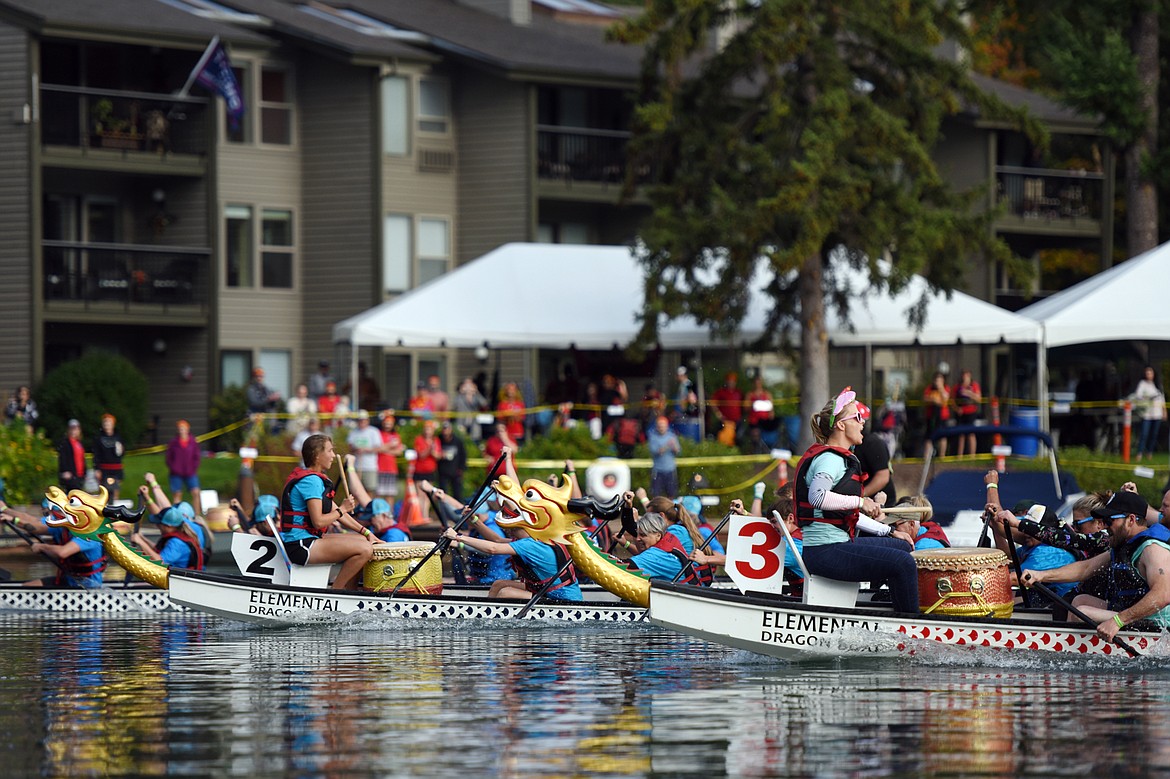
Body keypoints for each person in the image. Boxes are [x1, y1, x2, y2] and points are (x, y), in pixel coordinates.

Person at [796, 386, 918, 613]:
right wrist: (861, 502)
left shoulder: (839, 458)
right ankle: (910, 625)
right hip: (825, 552)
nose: (863, 423)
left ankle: (887, 606)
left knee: (902, 545)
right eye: (857, 417)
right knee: (903, 563)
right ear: (841, 425)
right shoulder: (830, 459)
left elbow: (848, 515)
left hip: (833, 546)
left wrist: (890, 532)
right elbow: (817, 496)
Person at [1023, 491, 1170, 638]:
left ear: (1131, 520)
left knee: (1083, 612)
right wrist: (1040, 575)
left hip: (1157, 627)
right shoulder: (1124, 547)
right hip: (1133, 616)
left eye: (1109, 520)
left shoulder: (1152, 549)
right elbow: (1084, 568)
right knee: (1081, 600)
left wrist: (1118, 621)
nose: (1105, 526)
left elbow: (1163, 595)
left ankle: (1072, 655)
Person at [278, 433, 379, 590]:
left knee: (365, 542)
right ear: (317, 456)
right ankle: (337, 592)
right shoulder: (311, 481)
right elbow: (318, 521)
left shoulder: (316, 479)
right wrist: (342, 509)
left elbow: (337, 511)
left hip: (309, 539)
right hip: (301, 546)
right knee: (366, 549)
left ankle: (350, 590)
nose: (333, 455)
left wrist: (366, 533)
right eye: (330, 451)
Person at [442, 523, 582, 602]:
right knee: (499, 584)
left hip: (562, 598)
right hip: (545, 590)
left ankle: (496, 624)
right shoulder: (538, 538)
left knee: (505, 592)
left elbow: (493, 548)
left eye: (514, 529)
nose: (510, 532)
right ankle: (487, 614)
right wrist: (475, 520)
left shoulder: (530, 545)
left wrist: (459, 537)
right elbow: (496, 540)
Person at [3, 499, 105, 588]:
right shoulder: (62, 528)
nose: (49, 518)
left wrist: (41, 547)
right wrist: (12, 520)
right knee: (27, 587)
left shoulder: (88, 535)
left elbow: (62, 552)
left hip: (89, 587)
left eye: (50, 514)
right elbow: (36, 528)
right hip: (69, 580)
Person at [989, 501, 1077, 598]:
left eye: (1031, 528)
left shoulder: (1047, 552)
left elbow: (1014, 579)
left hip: (1064, 603)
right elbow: (1009, 558)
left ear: (1045, 531)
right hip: (1047, 598)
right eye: (1026, 526)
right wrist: (994, 527)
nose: (1026, 532)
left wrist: (979, 580)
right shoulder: (1033, 546)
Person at [130, 502, 207, 571]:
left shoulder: (177, 543)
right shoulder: (178, 536)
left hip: (180, 581)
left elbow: (160, 561)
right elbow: (159, 549)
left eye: (160, 524)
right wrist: (142, 538)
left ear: (169, 526)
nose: (157, 525)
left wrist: (140, 542)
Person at [853, 402, 897, 508]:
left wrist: (859, 498)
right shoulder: (847, 447)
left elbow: (883, 477)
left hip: (882, 505)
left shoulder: (872, 443)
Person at [165, 420, 202, 516]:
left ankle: (197, 515)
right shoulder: (174, 442)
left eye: (183, 429)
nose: (182, 431)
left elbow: (196, 456)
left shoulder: (192, 441)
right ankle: (176, 516)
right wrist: (173, 467)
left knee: (196, 492)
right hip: (176, 472)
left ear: (187, 429)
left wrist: (194, 467)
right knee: (177, 494)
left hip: (190, 472)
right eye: (180, 429)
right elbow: (169, 458)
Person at [885, 495, 949, 550]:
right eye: (891, 525)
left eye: (894, 526)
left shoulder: (922, 547)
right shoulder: (926, 529)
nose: (893, 529)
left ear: (911, 524)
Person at [1129, 366, 1165, 461]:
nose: (1148, 375)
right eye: (1147, 373)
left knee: (1154, 434)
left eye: (1150, 373)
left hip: (1157, 413)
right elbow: (1138, 396)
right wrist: (1147, 398)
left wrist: (1164, 411)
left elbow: (1162, 399)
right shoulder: (1142, 384)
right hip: (1147, 414)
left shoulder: (1158, 385)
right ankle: (1139, 453)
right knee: (1144, 434)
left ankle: (1150, 452)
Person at [345, 411, 382, 493]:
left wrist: (365, 450)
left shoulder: (374, 431)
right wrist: (356, 449)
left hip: (370, 466)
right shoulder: (353, 432)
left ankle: (368, 506)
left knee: (370, 490)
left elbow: (378, 448)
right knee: (355, 491)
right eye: (360, 420)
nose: (362, 422)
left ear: (367, 420)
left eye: (363, 420)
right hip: (356, 466)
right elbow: (350, 447)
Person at [91, 413, 125, 500]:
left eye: (109, 422)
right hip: (104, 469)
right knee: (103, 492)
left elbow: (121, 454)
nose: (107, 424)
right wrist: (97, 469)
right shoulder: (98, 438)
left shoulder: (118, 437)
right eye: (105, 422)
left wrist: (121, 450)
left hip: (116, 469)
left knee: (115, 491)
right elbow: (96, 454)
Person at [647, 415, 681, 499]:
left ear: (667, 426)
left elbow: (678, 452)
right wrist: (667, 445)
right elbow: (656, 451)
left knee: (671, 494)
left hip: (670, 469)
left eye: (663, 426)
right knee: (656, 494)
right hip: (658, 470)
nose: (661, 428)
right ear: (657, 427)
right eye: (659, 426)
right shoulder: (653, 437)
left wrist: (674, 447)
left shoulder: (671, 436)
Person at [376, 411, 404, 509]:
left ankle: (389, 514)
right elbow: (378, 448)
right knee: (378, 493)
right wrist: (391, 446)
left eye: (390, 423)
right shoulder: (378, 434)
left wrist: (385, 450)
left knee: (390, 494)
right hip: (379, 467)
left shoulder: (396, 436)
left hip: (391, 468)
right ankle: (379, 513)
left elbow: (399, 451)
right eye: (386, 422)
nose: (388, 425)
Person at [951, 369, 982, 457]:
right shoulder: (957, 387)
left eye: (967, 376)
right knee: (961, 434)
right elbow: (952, 400)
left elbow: (978, 399)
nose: (965, 378)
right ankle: (959, 455)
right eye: (963, 376)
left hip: (971, 412)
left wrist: (969, 393)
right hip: (960, 413)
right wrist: (957, 409)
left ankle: (972, 455)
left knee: (971, 434)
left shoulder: (974, 385)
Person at [921, 371, 952, 458]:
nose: (937, 382)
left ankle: (942, 455)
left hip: (942, 416)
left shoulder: (946, 388)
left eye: (939, 380)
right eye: (936, 380)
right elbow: (925, 398)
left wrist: (941, 388)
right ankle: (926, 456)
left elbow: (945, 398)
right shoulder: (929, 388)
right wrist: (934, 400)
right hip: (931, 416)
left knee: (942, 436)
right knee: (929, 436)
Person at [436, 421, 466, 502]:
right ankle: (443, 511)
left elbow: (463, 455)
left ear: (450, 430)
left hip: (455, 471)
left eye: (447, 429)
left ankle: (458, 512)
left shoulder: (457, 441)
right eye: (444, 429)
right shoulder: (438, 440)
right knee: (442, 493)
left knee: (457, 494)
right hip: (442, 471)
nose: (445, 432)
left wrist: (461, 469)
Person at [709, 371, 743, 443]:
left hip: (737, 422)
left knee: (738, 439)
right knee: (724, 439)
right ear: (726, 382)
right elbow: (712, 402)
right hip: (725, 421)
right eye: (730, 381)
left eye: (733, 381)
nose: (731, 383)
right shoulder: (721, 392)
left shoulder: (738, 392)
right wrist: (718, 414)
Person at [57, 418, 87, 492]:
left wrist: (85, 472)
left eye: (76, 429)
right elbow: (62, 458)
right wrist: (64, 471)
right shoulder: (65, 443)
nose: (74, 431)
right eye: (72, 429)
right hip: (70, 475)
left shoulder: (79, 443)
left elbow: (82, 459)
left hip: (80, 475)